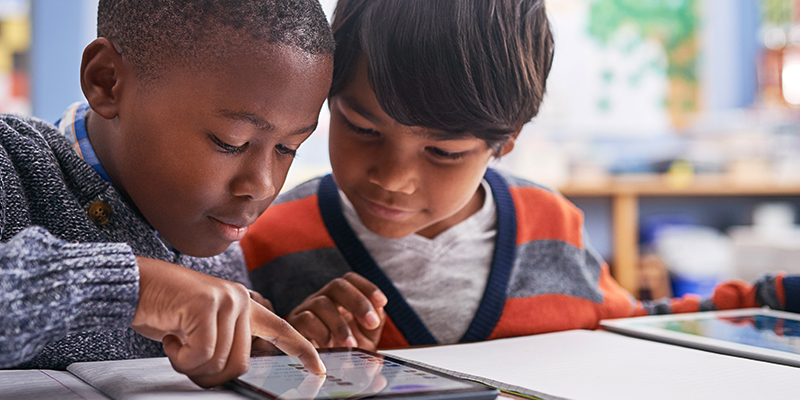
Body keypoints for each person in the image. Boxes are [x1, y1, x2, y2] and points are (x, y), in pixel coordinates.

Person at [241, 0, 797, 351]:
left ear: (506, 141)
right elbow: (224, 361)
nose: (394, 178)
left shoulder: (550, 225)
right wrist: (285, 349)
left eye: (443, 152)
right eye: (362, 128)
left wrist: (770, 298)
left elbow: (635, 328)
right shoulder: (269, 238)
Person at [0, 0, 335, 387]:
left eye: (288, 149)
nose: (262, 185)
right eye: (229, 142)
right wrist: (139, 288)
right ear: (106, 81)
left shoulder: (219, 241)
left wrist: (264, 352)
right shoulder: (12, 165)